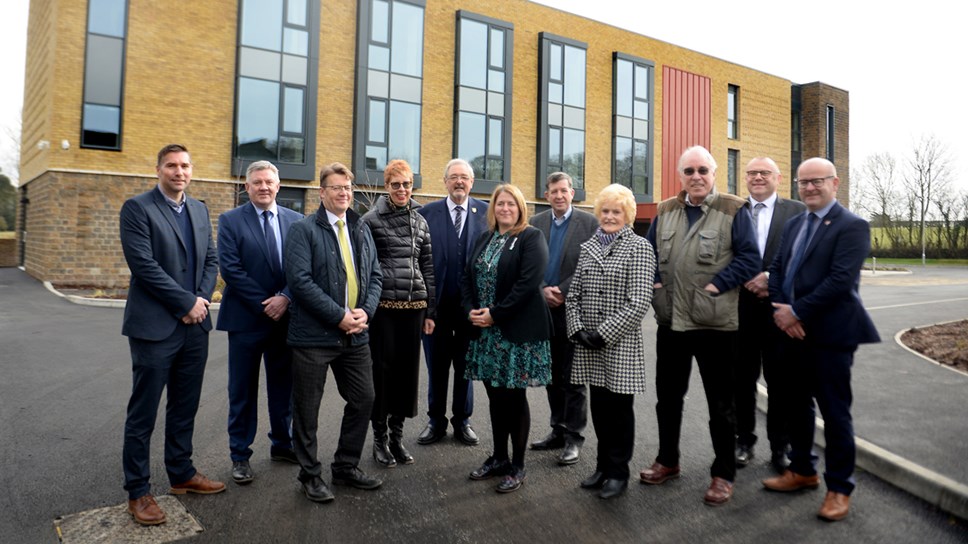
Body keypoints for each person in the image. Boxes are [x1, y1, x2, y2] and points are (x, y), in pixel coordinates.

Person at [639, 145, 760, 506]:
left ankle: (723, 474)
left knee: (721, 404)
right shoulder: (665, 210)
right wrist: (656, 286)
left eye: (702, 171)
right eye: (689, 171)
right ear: (680, 175)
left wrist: (715, 286)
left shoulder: (734, 209)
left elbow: (750, 258)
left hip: (715, 325)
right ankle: (667, 460)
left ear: (714, 174)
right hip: (671, 322)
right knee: (668, 399)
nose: (696, 177)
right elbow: (649, 255)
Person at [762, 157, 880, 522]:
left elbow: (840, 282)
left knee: (835, 413)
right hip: (791, 334)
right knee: (796, 407)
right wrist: (783, 309)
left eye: (817, 181)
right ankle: (803, 470)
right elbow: (778, 269)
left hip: (830, 337)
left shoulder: (853, 226)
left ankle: (839, 488)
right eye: (803, 182)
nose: (810, 187)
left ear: (835, 183)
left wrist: (795, 313)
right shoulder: (796, 222)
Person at [119, 144, 224, 526]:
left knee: (184, 405)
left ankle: (181, 474)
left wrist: (199, 300)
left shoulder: (198, 208)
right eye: (171, 166)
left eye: (184, 166)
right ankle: (138, 491)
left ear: (191, 170)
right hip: (155, 328)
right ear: (159, 169)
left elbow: (211, 258)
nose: (179, 172)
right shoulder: (138, 208)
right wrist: (185, 303)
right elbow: (143, 265)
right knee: (143, 412)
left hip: (195, 327)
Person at [284, 162, 384, 503]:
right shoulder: (303, 230)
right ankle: (310, 474)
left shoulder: (361, 228)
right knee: (307, 409)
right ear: (322, 192)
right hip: (313, 336)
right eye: (337, 187)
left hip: (356, 334)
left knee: (364, 398)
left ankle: (345, 467)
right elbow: (300, 282)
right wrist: (338, 316)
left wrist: (365, 312)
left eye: (348, 188)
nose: (344, 193)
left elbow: (376, 276)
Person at [217, 160, 304, 485]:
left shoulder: (297, 221)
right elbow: (231, 269)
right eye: (257, 182)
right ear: (247, 187)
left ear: (278, 185)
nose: (263, 187)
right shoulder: (230, 220)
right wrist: (266, 303)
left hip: (285, 320)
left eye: (269, 181)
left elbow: (302, 267)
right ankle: (240, 455)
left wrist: (285, 297)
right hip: (245, 320)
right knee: (242, 391)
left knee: (284, 389)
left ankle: (283, 444)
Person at [567, 184, 656, 500]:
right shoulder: (589, 245)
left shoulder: (640, 248)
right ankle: (603, 466)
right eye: (604, 211)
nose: (609, 216)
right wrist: (576, 329)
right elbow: (573, 293)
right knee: (600, 409)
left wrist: (602, 333)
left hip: (617, 345)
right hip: (588, 345)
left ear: (628, 215)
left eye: (616, 211)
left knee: (619, 411)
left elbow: (639, 300)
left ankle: (619, 471)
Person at [463, 183, 552, 494]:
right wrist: (471, 310)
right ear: (493, 208)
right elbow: (466, 276)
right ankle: (498, 457)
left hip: (515, 335)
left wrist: (495, 314)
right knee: (495, 397)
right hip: (486, 334)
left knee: (514, 399)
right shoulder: (484, 238)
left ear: (520, 208)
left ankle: (517, 464)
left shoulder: (530, 237)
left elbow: (529, 284)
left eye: (510, 204)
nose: (505, 209)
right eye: (500, 204)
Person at [361, 159, 436, 468]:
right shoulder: (370, 220)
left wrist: (431, 310)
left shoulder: (420, 221)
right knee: (382, 373)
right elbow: (365, 268)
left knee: (406, 376)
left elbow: (428, 267)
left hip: (414, 309)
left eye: (406, 184)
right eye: (396, 184)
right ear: (386, 186)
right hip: (383, 310)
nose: (402, 189)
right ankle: (378, 439)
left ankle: (397, 437)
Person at [734, 157, 805, 472]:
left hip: (779, 313)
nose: (757, 177)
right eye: (752, 173)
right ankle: (743, 441)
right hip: (739, 312)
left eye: (764, 173)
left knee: (781, 383)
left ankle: (780, 447)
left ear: (778, 177)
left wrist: (770, 280)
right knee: (741, 380)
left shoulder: (798, 213)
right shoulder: (732, 211)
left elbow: (806, 260)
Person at [416, 159, 488, 446]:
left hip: (470, 309)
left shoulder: (485, 212)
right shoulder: (427, 213)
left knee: (465, 367)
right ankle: (435, 421)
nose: (459, 182)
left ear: (472, 182)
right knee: (436, 366)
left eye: (464, 178)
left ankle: (463, 421)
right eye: (454, 177)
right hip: (435, 309)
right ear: (444, 181)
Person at [528, 172, 599, 466]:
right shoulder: (537, 223)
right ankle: (557, 429)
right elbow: (529, 261)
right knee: (551, 375)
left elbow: (591, 263)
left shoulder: (589, 223)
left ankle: (574, 437)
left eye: (563, 190)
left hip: (573, 309)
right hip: (544, 309)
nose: (558, 196)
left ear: (572, 193)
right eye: (553, 191)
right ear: (547, 195)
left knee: (574, 377)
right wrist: (543, 289)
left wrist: (564, 290)